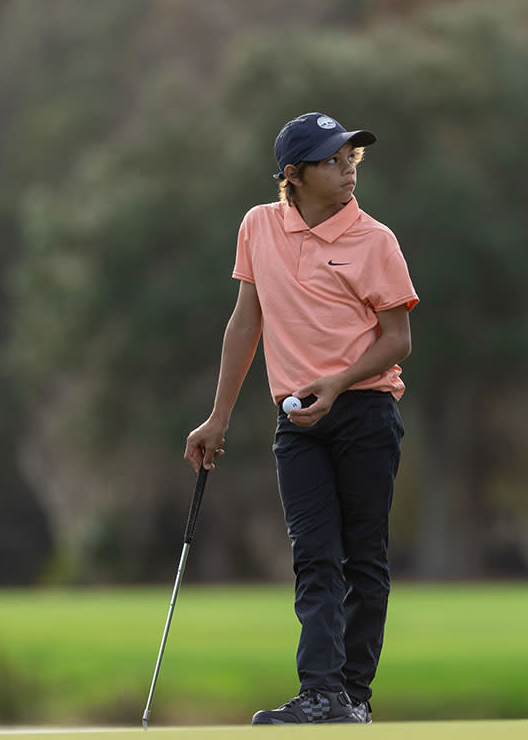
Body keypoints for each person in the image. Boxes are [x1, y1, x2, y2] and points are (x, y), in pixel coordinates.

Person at [184, 112, 418, 724]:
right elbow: (245, 322)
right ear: (294, 174)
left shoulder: (376, 239)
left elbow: (398, 340)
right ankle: (321, 693)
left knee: (363, 558)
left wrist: (338, 383)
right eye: (333, 160)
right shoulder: (258, 226)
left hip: (366, 411)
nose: (348, 169)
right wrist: (218, 418)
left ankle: (354, 696)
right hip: (296, 422)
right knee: (314, 556)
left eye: (350, 158)